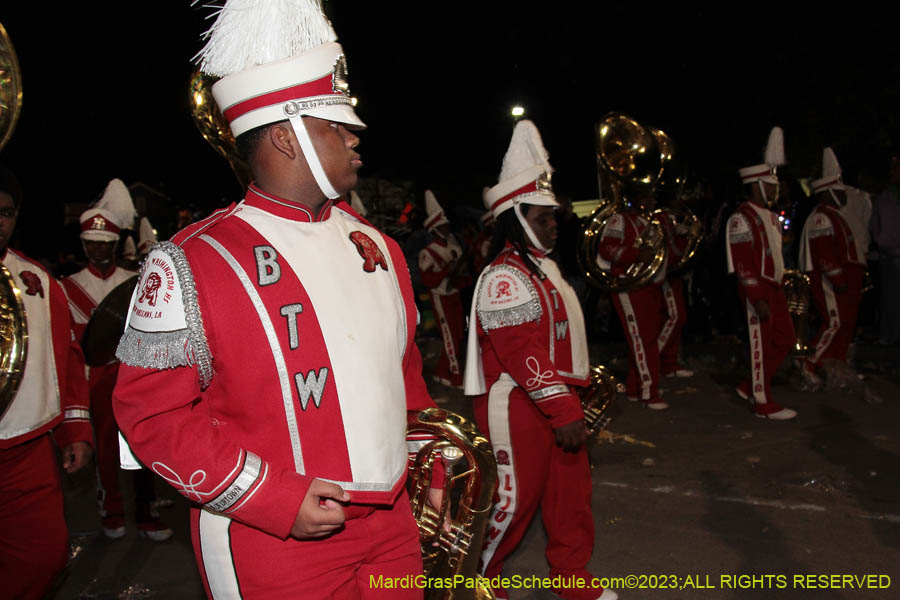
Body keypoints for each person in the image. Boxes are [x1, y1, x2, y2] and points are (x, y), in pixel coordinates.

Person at [112, 2, 442, 598]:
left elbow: (404, 375)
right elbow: (150, 417)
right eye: (335, 125)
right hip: (272, 536)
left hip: (395, 526)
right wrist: (271, 497)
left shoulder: (380, 247)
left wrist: (429, 465)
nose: (355, 136)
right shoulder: (189, 261)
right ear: (288, 137)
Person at [464, 120, 617, 600]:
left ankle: (572, 578)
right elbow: (522, 353)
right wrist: (564, 409)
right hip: (516, 404)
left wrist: (577, 392)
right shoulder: (504, 276)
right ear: (516, 217)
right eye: (543, 217)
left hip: (550, 400)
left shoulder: (543, 266)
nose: (555, 225)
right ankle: (478, 585)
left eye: (554, 217)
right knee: (512, 502)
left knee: (571, 496)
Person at [0, 163, 93, 599]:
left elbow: (67, 362)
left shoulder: (36, 279)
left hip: (26, 449)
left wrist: (75, 430)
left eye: (5, 212)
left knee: (46, 555)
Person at [61, 183, 172, 542]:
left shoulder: (133, 282)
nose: (97, 249)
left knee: (142, 448)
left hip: (133, 374)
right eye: (91, 243)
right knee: (106, 452)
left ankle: (148, 514)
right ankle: (112, 511)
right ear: (83, 245)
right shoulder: (68, 287)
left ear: (113, 243)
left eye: (104, 243)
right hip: (96, 380)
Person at [726, 127, 797, 420]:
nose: (775, 188)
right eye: (771, 184)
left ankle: (750, 386)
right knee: (760, 344)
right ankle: (762, 402)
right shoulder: (741, 218)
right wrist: (757, 296)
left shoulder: (766, 215)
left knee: (784, 338)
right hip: (758, 290)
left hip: (773, 287)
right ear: (757, 185)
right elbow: (743, 264)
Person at [797, 148, 867, 381]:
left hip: (844, 282)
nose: (844, 194)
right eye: (839, 189)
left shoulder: (834, 215)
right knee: (834, 322)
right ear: (829, 192)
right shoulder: (821, 217)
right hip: (831, 283)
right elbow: (825, 254)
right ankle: (810, 363)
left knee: (845, 323)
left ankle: (836, 365)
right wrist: (837, 278)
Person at [597, 186, 669, 410]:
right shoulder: (620, 220)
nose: (649, 201)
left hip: (649, 285)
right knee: (640, 339)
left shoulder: (649, 222)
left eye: (651, 196)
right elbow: (606, 248)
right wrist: (637, 254)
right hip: (628, 285)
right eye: (644, 196)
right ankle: (649, 392)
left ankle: (635, 387)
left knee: (645, 338)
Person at [418, 190, 471, 388]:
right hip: (440, 297)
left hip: (454, 294)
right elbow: (428, 279)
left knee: (457, 335)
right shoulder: (428, 252)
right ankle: (456, 376)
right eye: (443, 225)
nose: (447, 227)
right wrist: (448, 270)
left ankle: (442, 372)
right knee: (449, 338)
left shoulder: (454, 245)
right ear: (435, 228)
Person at [655, 202, 695, 378]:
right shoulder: (657, 218)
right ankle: (654, 358)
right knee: (676, 316)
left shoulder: (666, 216)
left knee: (677, 316)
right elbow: (668, 250)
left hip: (674, 274)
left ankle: (669, 364)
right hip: (666, 274)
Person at [869, 154, 900, 345]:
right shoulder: (885, 196)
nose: (893, 173)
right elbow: (876, 224)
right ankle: (890, 334)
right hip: (888, 255)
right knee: (890, 298)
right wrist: (881, 241)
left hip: (891, 252)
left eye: (896, 168)